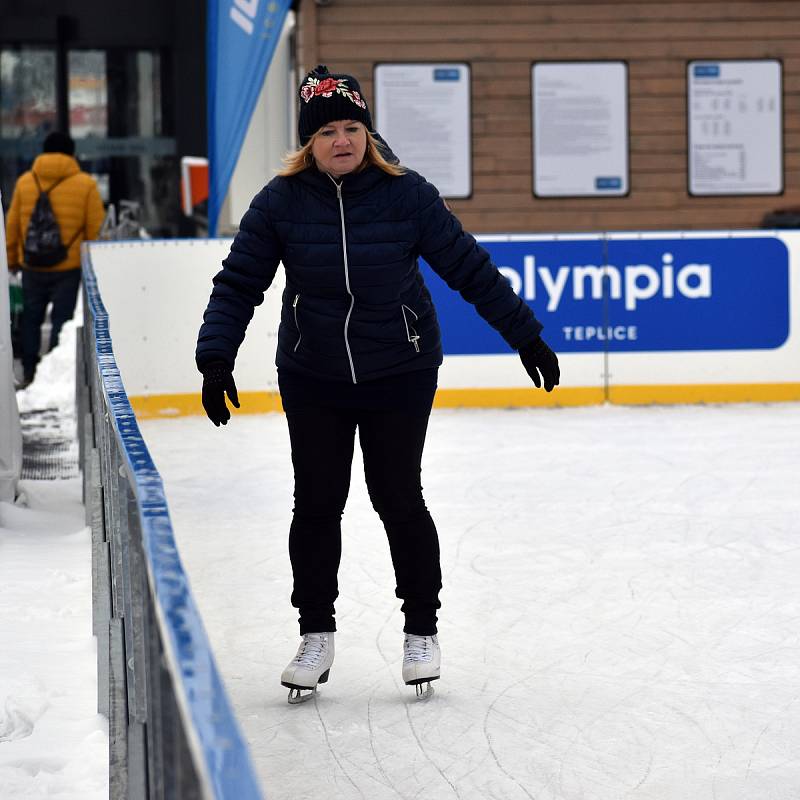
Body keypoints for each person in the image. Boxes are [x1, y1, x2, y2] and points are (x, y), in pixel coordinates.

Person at [196, 65, 560, 703]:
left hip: (400, 367)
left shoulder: (408, 196)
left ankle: (421, 626)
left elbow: (469, 269)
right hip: (314, 374)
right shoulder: (279, 202)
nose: (343, 140)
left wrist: (524, 334)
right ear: (308, 142)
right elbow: (239, 282)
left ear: (369, 132)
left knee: (396, 495)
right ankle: (316, 632)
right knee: (316, 503)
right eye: (329, 131)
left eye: (353, 127)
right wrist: (216, 356)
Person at [4, 131, 105, 389]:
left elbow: (13, 225)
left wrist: (13, 259)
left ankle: (29, 371)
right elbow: (96, 230)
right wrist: (93, 265)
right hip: (68, 267)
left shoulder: (26, 181)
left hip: (32, 265)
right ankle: (55, 377)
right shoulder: (86, 184)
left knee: (30, 319)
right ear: (71, 154)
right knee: (62, 319)